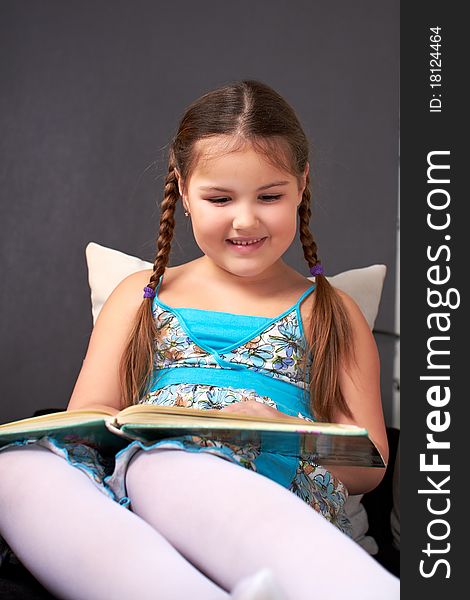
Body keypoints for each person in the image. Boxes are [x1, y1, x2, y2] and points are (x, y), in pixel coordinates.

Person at [0, 80, 399, 599]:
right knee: (16, 471)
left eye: (270, 196)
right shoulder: (142, 295)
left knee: (171, 468)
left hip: (260, 486)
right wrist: (129, 426)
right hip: (137, 476)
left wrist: (285, 430)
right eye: (219, 198)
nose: (245, 219)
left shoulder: (328, 310)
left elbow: (369, 467)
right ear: (184, 189)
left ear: (302, 185)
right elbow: (87, 417)